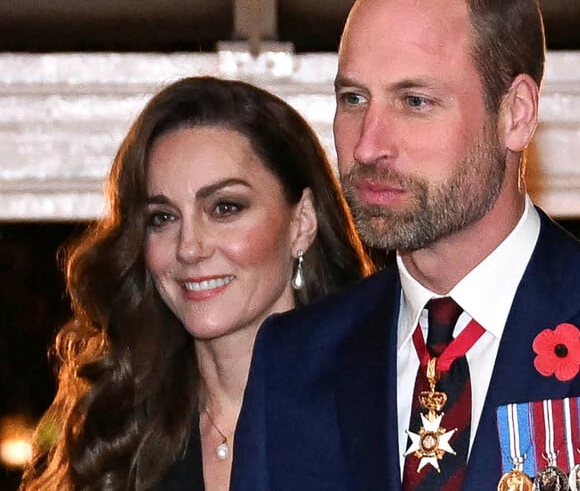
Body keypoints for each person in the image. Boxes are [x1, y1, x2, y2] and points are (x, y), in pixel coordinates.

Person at [230, 0, 580, 491]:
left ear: (516, 114)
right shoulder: (293, 366)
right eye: (353, 99)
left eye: (414, 101)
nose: (368, 146)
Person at [19, 76, 373, 491]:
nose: (189, 247)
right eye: (162, 218)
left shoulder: (377, 414)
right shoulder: (122, 435)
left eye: (225, 208)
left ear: (302, 222)